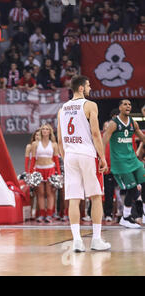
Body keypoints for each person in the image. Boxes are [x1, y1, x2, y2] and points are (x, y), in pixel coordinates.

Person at [57, 75, 110, 252]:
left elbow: (59, 140)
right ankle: (96, 239)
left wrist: (66, 158)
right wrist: (102, 157)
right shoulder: (89, 105)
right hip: (87, 154)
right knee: (95, 196)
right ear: (81, 88)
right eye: (88, 85)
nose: (90, 88)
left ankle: (77, 241)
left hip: (70, 155)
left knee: (74, 198)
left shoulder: (62, 109)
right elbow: (95, 133)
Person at [102, 99, 145, 229]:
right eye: (125, 104)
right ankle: (125, 218)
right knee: (132, 189)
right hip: (120, 163)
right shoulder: (114, 124)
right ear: (120, 107)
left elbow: (143, 138)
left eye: (130, 104)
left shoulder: (133, 123)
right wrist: (102, 158)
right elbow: (104, 141)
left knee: (144, 183)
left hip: (133, 160)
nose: (128, 106)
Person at [29, 124, 61, 223]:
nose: (45, 131)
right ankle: (42, 214)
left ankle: (49, 214)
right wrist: (31, 172)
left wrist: (58, 174)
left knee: (50, 192)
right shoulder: (35, 144)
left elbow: (56, 160)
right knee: (40, 193)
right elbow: (33, 159)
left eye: (47, 129)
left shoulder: (54, 144)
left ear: (50, 131)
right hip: (38, 169)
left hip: (50, 169)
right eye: (43, 129)